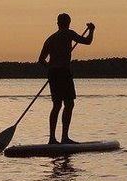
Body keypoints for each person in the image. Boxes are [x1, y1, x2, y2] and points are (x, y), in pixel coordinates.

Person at [38, 13, 94, 145]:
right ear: (68, 23)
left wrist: (51, 68)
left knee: (57, 105)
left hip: (53, 73)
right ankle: (64, 137)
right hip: (63, 72)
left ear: (58, 23)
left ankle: (52, 138)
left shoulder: (50, 39)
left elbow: (41, 60)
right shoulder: (69, 33)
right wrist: (91, 30)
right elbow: (87, 41)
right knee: (69, 104)